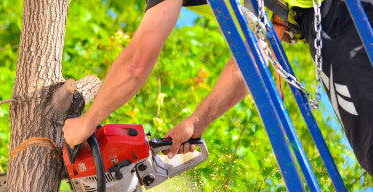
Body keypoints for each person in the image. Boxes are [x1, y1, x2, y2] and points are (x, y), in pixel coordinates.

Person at [63, 0, 373, 177]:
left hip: (344, 16)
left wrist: (85, 124)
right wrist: (195, 123)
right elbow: (247, 63)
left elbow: (136, 64)